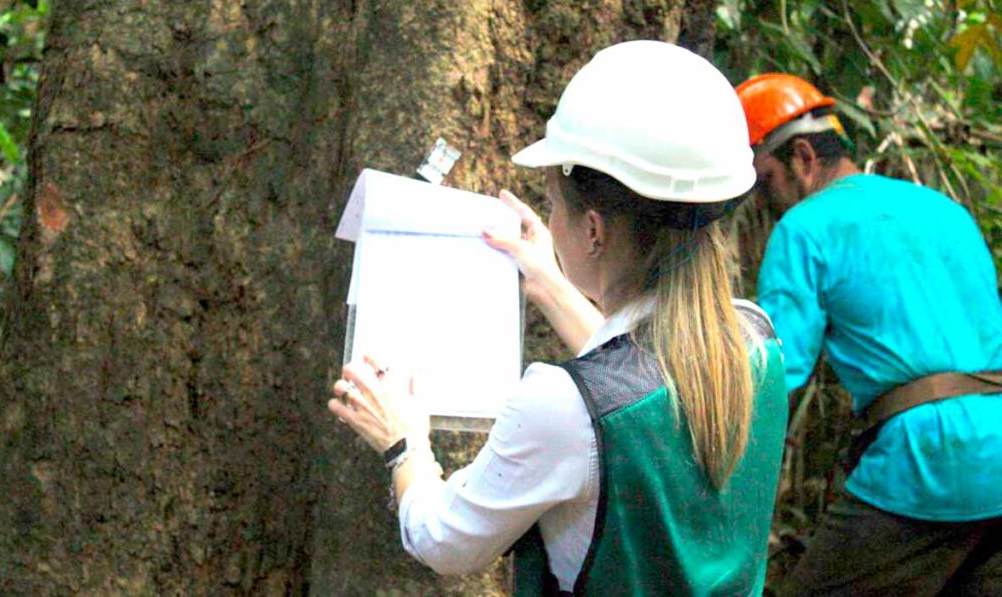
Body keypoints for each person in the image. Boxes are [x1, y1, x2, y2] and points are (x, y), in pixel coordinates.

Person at [328, 41, 788, 595]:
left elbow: (443, 540)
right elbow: (639, 383)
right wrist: (548, 280)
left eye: (552, 202)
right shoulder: (753, 336)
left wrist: (403, 441)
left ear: (593, 230)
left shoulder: (560, 405)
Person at [736, 73, 1002, 596]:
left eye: (765, 180)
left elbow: (778, 372)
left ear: (804, 159)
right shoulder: (945, 210)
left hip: (929, 463)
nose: (766, 202)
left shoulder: (805, 226)